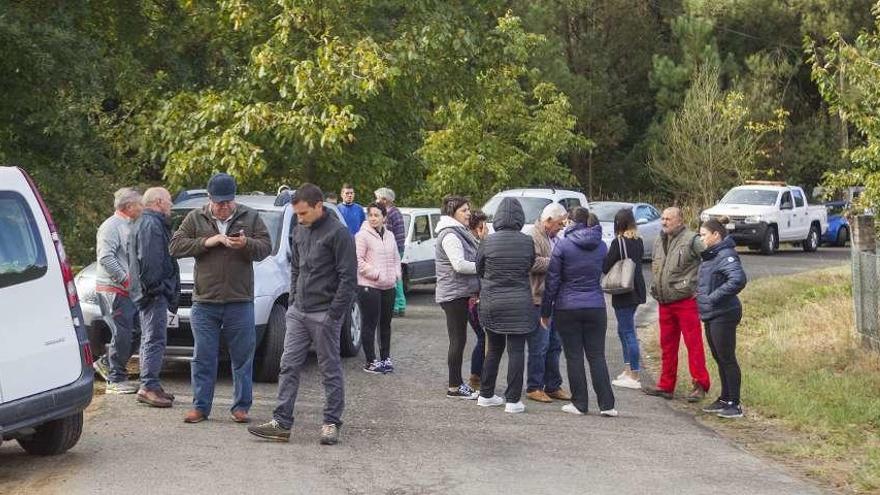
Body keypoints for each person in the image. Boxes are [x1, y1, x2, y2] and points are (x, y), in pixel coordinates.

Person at [248, 184, 357, 445]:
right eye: (296, 214)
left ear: (319, 206)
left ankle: (331, 422)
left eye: (304, 213)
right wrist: (294, 302)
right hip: (298, 312)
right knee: (288, 366)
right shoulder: (299, 231)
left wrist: (333, 316)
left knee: (329, 369)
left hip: (324, 314)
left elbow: (348, 279)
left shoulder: (339, 234)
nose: (300, 219)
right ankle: (281, 422)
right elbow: (296, 267)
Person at [169, 173, 272, 424]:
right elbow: (175, 247)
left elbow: (265, 248)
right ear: (209, 199)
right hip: (205, 301)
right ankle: (200, 407)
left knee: (242, 357)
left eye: (228, 202)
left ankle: (241, 407)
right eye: (219, 203)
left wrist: (246, 244)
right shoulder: (196, 217)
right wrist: (208, 241)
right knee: (203, 356)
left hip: (240, 300)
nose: (224, 207)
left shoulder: (250, 216)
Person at [541, 207, 617, 416]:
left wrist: (545, 311)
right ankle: (607, 405)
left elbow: (552, 282)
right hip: (596, 305)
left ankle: (580, 403)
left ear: (572, 223)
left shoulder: (563, 246)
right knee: (597, 356)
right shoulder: (602, 246)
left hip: (568, 306)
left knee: (574, 356)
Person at [475, 197, 535, 413]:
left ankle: (486, 394)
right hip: (519, 302)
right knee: (517, 351)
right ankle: (512, 401)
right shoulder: (527, 241)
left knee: (493, 349)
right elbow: (529, 265)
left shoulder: (487, 241)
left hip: (492, 302)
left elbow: (479, 268)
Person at [644, 207, 710, 402]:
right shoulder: (659, 240)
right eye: (663, 219)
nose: (664, 222)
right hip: (665, 301)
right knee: (667, 345)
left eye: (669, 219)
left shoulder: (692, 240)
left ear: (680, 221)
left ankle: (700, 384)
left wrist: (701, 286)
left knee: (693, 344)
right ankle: (666, 385)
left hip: (686, 301)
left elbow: (711, 257)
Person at [129, 187, 180, 407]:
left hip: (149, 291)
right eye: (169, 202)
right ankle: (148, 386)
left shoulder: (147, 223)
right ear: (158, 202)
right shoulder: (151, 225)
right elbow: (150, 261)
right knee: (154, 339)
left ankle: (152, 383)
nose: (171, 207)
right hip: (152, 293)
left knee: (151, 338)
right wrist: (158, 288)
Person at [93, 187, 143, 395]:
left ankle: (107, 363)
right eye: (140, 203)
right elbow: (106, 257)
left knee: (136, 332)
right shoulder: (111, 226)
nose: (143, 207)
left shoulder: (131, 224)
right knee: (122, 333)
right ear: (129, 206)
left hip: (129, 291)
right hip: (114, 290)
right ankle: (115, 379)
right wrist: (126, 279)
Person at [697, 216, 747, 419]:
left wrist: (713, 297)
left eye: (703, 235)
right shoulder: (711, 255)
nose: (701, 239)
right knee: (719, 357)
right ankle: (724, 398)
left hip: (724, 313)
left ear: (716, 235)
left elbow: (738, 279)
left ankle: (734, 403)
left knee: (727, 358)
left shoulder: (726, 255)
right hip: (712, 313)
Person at [434, 195, 480, 399]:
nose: (468, 213)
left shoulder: (458, 232)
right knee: (457, 340)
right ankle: (454, 386)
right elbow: (459, 264)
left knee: (459, 339)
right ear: (452, 212)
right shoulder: (450, 235)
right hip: (453, 294)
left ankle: (457, 383)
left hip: (459, 293)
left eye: (468, 209)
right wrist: (483, 267)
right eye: (464, 210)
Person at [526, 203, 571, 403]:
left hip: (553, 300)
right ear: (549, 220)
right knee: (540, 345)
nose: (561, 227)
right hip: (537, 299)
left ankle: (553, 385)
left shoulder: (554, 237)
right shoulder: (533, 236)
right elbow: (531, 263)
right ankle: (534, 386)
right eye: (560, 224)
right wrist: (555, 261)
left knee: (555, 345)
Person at [603, 208, 647, 390]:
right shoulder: (639, 241)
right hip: (637, 289)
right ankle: (628, 369)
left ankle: (634, 374)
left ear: (617, 224)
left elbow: (606, 266)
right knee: (624, 330)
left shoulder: (618, 242)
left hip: (623, 290)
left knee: (628, 332)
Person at [355, 202, 401, 374]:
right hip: (369, 286)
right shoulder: (362, 236)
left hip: (389, 286)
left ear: (384, 217)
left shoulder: (390, 235)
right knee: (370, 323)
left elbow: (396, 257)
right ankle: (370, 361)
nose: (373, 218)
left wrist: (396, 274)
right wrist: (376, 274)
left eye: (377, 215)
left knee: (385, 324)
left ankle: (385, 358)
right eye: (371, 215)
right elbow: (358, 260)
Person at [466, 210, 488, 391]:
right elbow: (479, 265)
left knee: (485, 337)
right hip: (473, 298)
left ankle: (479, 375)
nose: (485, 230)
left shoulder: (480, 242)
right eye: (482, 226)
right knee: (483, 337)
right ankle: (475, 376)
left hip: (480, 295)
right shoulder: (473, 243)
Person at [375, 187, 406, 316]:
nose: (376, 200)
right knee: (396, 277)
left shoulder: (391, 214)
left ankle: (397, 306)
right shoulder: (395, 212)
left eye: (378, 198)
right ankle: (400, 305)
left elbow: (387, 234)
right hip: (397, 248)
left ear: (385, 199)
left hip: (394, 250)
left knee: (394, 278)